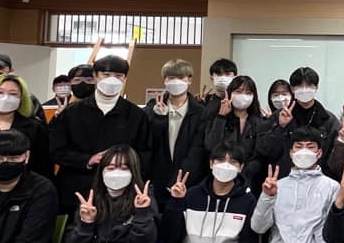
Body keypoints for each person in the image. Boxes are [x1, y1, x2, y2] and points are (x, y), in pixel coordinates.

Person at [50, 55, 152, 215]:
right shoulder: (71, 113)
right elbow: (56, 150)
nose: (112, 80)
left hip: (121, 195)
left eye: (118, 76)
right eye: (106, 74)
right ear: (95, 77)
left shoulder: (136, 115)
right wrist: (87, 160)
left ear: (125, 79)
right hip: (76, 192)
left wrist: (122, 164)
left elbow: (145, 153)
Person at [247, 128, 340, 243]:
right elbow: (258, 227)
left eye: (310, 147)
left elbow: (332, 238)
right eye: (298, 146)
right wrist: (267, 197)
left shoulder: (332, 187)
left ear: (319, 153)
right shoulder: (277, 185)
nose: (304, 151)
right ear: (291, 153)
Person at [148, 59, 214, 200]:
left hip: (187, 183)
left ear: (189, 80)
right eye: (171, 78)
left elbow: (197, 151)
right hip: (156, 181)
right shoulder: (151, 109)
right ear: (164, 80)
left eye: (181, 78)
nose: (176, 82)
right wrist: (158, 118)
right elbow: (149, 143)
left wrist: (179, 179)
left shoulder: (200, 113)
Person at [205, 75, 270, 192]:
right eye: (238, 91)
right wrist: (221, 117)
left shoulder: (259, 122)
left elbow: (260, 155)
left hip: (250, 180)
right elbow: (211, 145)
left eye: (248, 93)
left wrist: (244, 173)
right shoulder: (217, 116)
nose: (243, 96)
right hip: (220, 176)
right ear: (230, 93)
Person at [287, 67, 340, 135]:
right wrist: (282, 127)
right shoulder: (280, 116)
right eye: (299, 85)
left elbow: (337, 140)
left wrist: (342, 139)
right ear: (292, 89)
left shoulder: (329, 119)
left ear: (316, 87)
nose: (304, 90)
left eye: (309, 85)